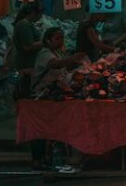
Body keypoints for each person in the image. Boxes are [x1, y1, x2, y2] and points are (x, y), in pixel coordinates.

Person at [31, 27, 85, 172]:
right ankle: (38, 159)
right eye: (57, 38)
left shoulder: (59, 52)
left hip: (54, 95)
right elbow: (56, 64)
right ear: (48, 40)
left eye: (62, 38)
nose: (61, 41)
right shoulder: (44, 54)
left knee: (50, 127)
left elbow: (65, 66)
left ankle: (50, 157)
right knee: (40, 129)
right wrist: (73, 58)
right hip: (41, 96)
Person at [10, 2, 44, 95]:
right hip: (25, 63)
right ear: (33, 13)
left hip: (27, 62)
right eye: (40, 13)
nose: (41, 16)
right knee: (25, 90)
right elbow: (28, 46)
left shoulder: (25, 24)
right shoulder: (24, 26)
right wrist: (46, 42)